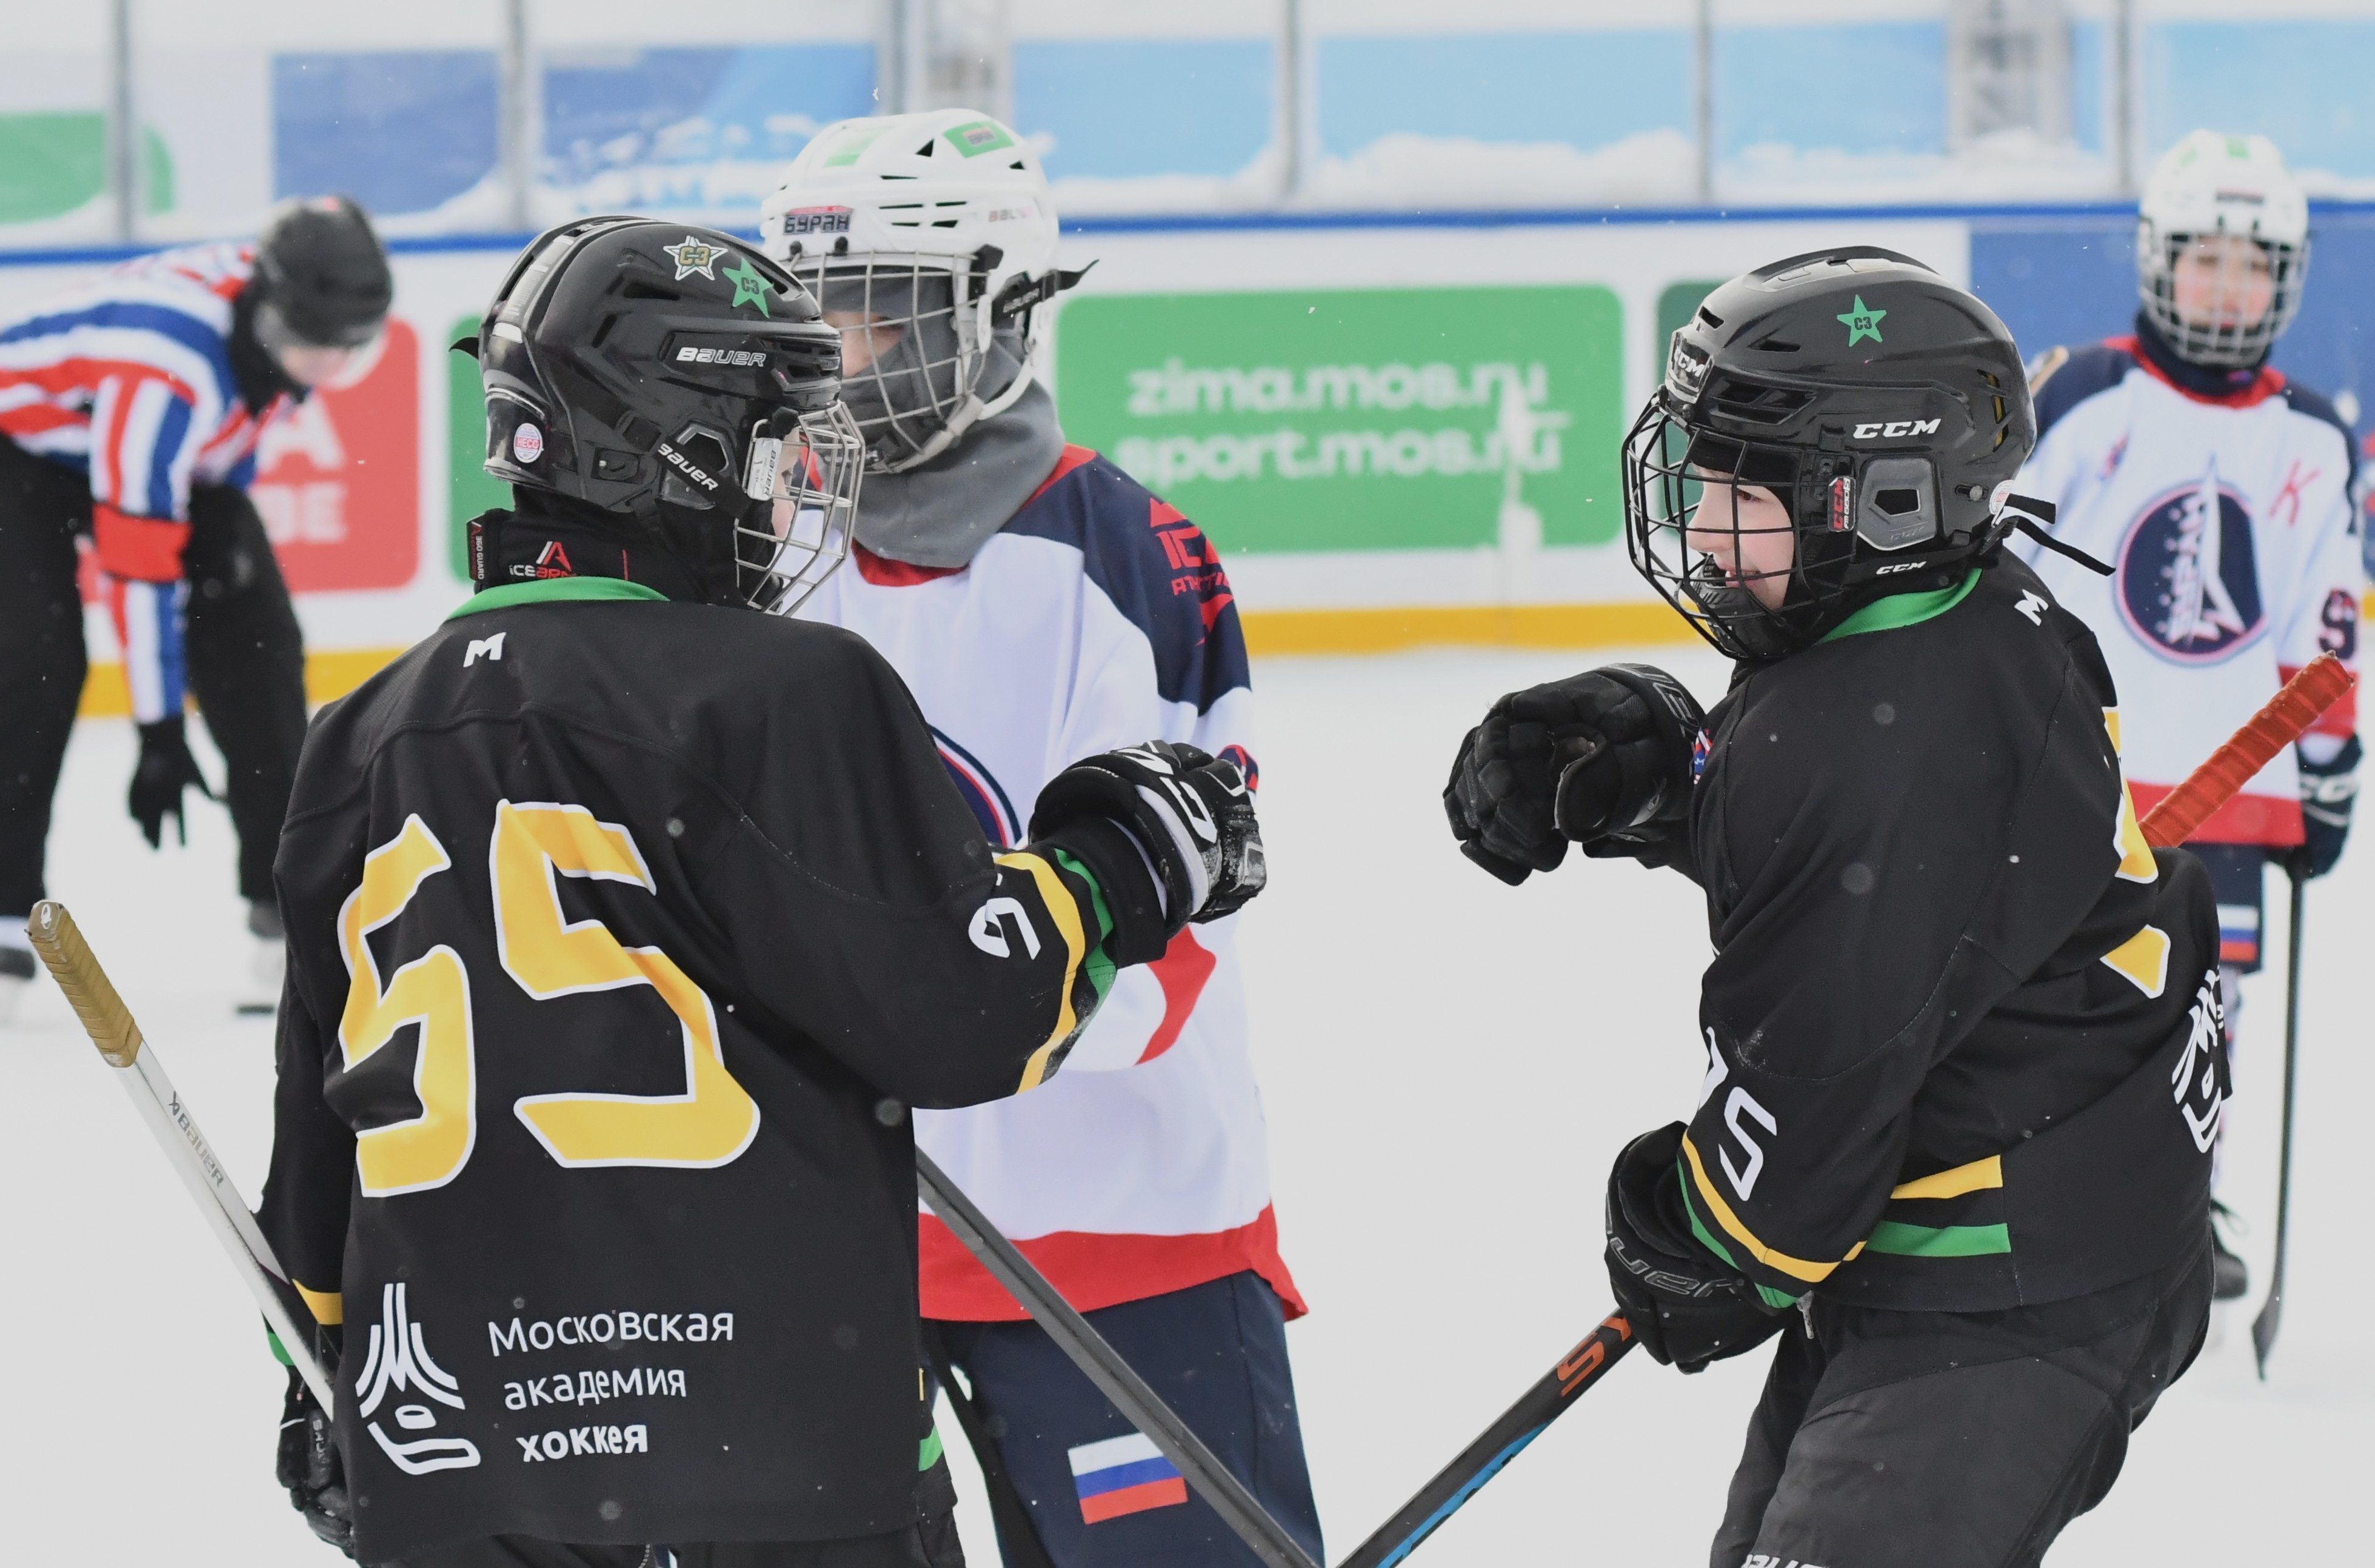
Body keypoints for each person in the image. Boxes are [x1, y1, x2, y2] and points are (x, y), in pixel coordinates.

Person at [253, 215, 1266, 1568]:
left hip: (466, 1464)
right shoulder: (784, 691)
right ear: (677, 449)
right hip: (771, 1449)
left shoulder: (362, 735)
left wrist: (320, 1372)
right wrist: (1116, 861)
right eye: (773, 451)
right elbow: (964, 1013)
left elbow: (319, 1163)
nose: (789, 500)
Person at [1445, 247, 2223, 1567]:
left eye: (1737, 497)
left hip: (2013, 1272)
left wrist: (1706, 1233)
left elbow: (1800, 1130)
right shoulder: (1945, 610)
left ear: (1882, 501)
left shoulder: (1875, 734)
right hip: (2014, 1202)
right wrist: (1670, 775)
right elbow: (1917, 882)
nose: (1700, 533)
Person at [760, 111, 1321, 1568]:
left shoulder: (1127, 561)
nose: (835, 356)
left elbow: (1177, 916)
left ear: (1000, 310)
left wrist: (936, 1029)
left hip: (1113, 1236)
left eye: (879, 316)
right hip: (833, 1253)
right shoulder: (766, 555)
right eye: (814, 315)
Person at [2011, 130, 2361, 1299]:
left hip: (2233, 784)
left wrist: (2328, 766)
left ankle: (2175, 1199)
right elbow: (2005, 570)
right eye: (2206, 260)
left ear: (2285, 281)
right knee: (2048, 990)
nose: (2224, 289)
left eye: (2250, 267)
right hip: (2081, 777)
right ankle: (2032, 1184)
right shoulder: (2085, 394)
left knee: (2206, 1003)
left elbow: (2323, 625)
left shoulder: (2312, 437)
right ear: (2160, 262)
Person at [0, 195, 393, 1015]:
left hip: (152, 442)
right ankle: (4, 914)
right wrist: (158, 730)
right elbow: (139, 568)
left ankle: (283, 907)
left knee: (261, 652)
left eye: (346, 353)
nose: (323, 371)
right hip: (17, 446)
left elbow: (223, 464)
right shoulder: (168, 370)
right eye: (310, 349)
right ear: (270, 314)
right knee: (40, 668)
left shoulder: (288, 330)